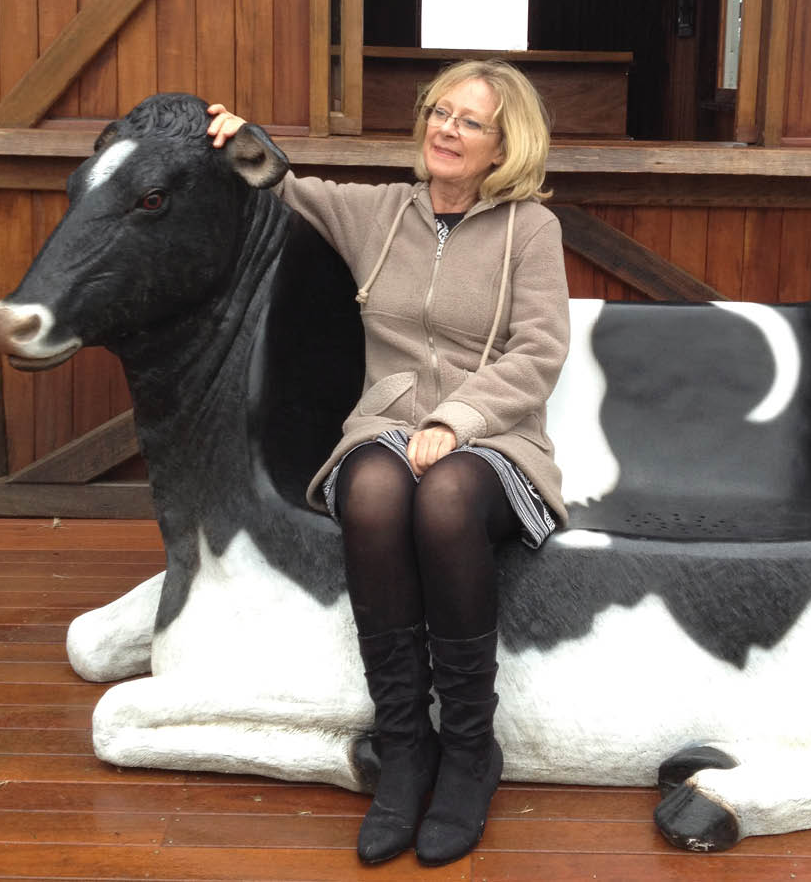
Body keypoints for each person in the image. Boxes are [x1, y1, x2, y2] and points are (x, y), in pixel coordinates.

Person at [207, 59, 570, 867]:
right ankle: (404, 745)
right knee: (372, 489)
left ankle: (470, 748)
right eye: (439, 112)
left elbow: (540, 350)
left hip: (496, 438)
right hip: (385, 425)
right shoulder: (380, 214)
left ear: (503, 143)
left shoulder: (530, 230)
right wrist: (237, 140)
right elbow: (287, 186)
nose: (445, 128)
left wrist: (457, 418)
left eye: (468, 121)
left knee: (443, 499)